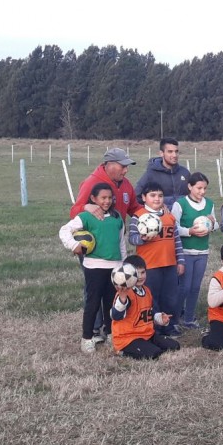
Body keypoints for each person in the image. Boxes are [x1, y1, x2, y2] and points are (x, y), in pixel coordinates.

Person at [70, 147, 140, 340]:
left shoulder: (125, 184)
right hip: (94, 249)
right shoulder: (93, 182)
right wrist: (86, 206)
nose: (126, 170)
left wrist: (152, 213)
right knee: (94, 291)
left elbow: (134, 208)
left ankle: (110, 329)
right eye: (122, 166)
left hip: (114, 249)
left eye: (127, 166)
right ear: (109, 165)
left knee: (112, 290)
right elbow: (74, 210)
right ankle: (93, 329)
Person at [59, 182, 126, 353]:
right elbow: (64, 230)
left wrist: (123, 265)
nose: (107, 201)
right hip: (94, 267)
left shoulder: (117, 217)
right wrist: (73, 245)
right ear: (93, 199)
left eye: (110, 198)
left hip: (115, 267)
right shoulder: (86, 217)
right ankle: (87, 338)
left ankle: (111, 333)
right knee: (93, 303)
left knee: (111, 303)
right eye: (103, 198)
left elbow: (121, 243)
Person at [129, 183, 185, 337]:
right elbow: (132, 238)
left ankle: (170, 325)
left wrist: (180, 261)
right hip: (149, 265)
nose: (157, 199)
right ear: (143, 198)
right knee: (152, 297)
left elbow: (176, 240)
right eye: (152, 195)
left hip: (169, 264)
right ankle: (155, 326)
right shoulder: (138, 216)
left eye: (160, 196)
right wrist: (142, 238)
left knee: (170, 298)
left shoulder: (169, 216)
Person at [172, 172, 219, 330]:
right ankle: (174, 317)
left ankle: (189, 318)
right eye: (199, 188)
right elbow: (173, 227)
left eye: (204, 188)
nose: (202, 192)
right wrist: (189, 231)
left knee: (195, 287)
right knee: (184, 287)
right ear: (190, 187)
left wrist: (212, 224)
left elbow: (215, 226)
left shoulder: (209, 204)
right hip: (185, 252)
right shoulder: (180, 204)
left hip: (202, 252)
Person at [111, 255, 180, 359]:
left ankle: (147, 345)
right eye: (136, 273)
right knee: (154, 354)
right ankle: (122, 351)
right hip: (128, 338)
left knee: (174, 346)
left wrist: (160, 319)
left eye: (143, 272)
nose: (140, 277)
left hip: (146, 335)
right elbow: (116, 316)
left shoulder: (147, 290)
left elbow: (148, 314)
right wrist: (122, 299)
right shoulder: (125, 294)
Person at [135, 137, 191, 209]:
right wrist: (152, 209)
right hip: (161, 218)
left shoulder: (185, 173)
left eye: (176, 151)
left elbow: (193, 196)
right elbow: (137, 197)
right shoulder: (150, 174)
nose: (174, 155)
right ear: (161, 153)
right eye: (170, 152)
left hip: (183, 218)